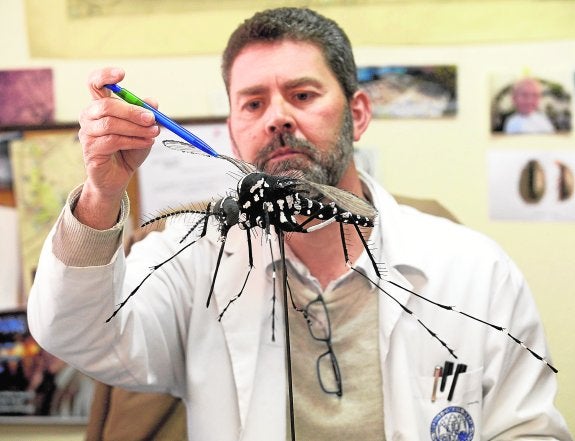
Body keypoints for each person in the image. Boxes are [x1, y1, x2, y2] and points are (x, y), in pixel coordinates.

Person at [27, 7, 571, 440]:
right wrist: (102, 193)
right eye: (253, 103)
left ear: (357, 113)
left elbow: (530, 429)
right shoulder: (194, 263)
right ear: (234, 131)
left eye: (303, 95)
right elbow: (75, 332)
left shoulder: (474, 270)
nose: (278, 117)